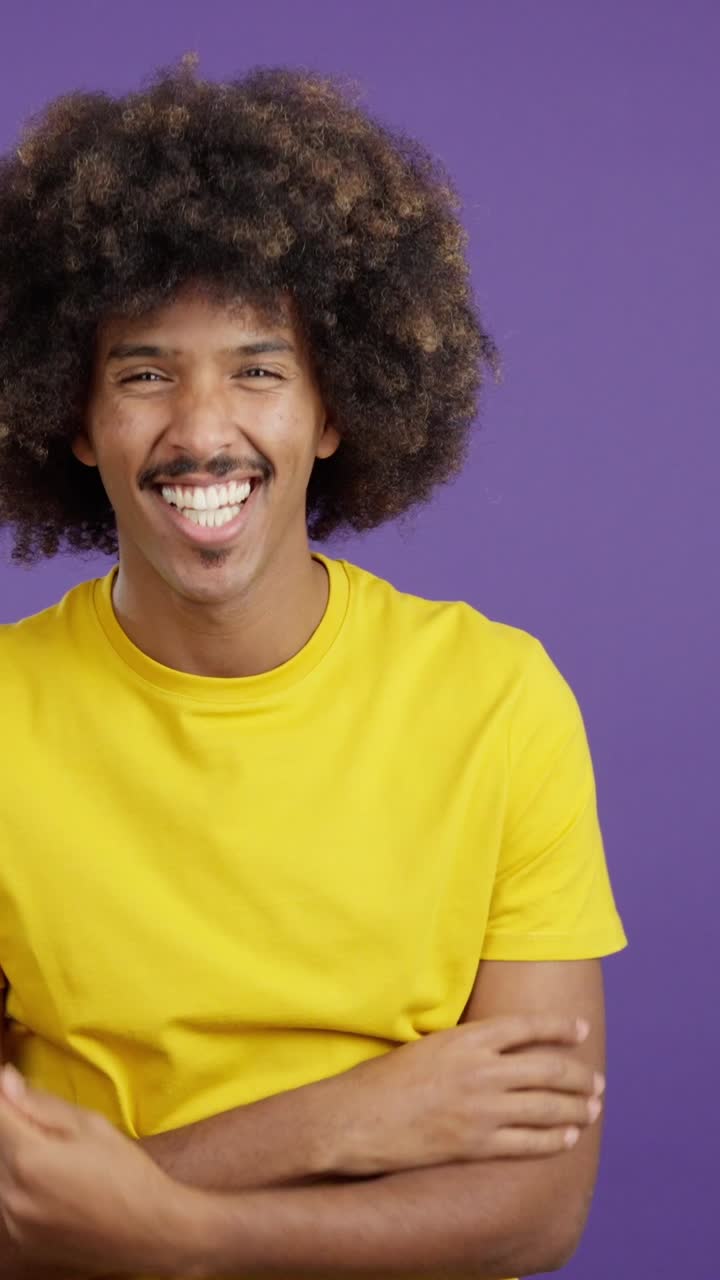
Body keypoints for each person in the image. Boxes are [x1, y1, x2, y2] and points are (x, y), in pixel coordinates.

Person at [0, 54, 627, 1280]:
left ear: (332, 410)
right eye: (143, 373)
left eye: (258, 367)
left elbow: (540, 1208)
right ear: (74, 420)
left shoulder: (499, 700)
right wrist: (350, 1119)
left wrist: (168, 1224)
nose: (202, 427)